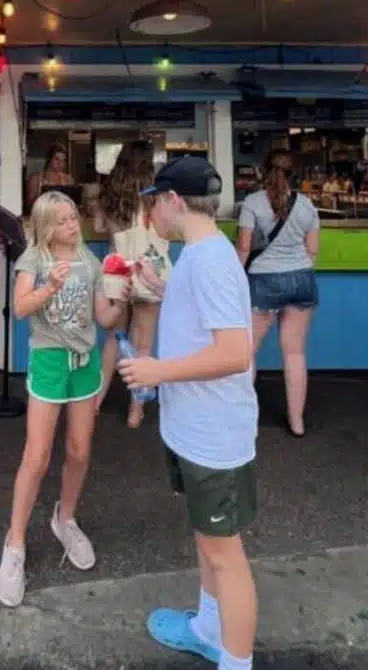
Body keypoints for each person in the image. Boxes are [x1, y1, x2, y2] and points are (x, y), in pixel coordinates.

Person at [117, 156, 258, 670]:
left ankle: (236, 661)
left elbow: (235, 353)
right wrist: (161, 287)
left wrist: (156, 371)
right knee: (208, 541)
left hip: (214, 434)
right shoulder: (199, 254)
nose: (151, 211)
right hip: (194, 430)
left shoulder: (213, 261)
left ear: (174, 200)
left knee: (225, 555)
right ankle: (207, 628)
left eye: (155, 201)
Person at [0, 191, 128, 608]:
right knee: (37, 456)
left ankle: (65, 518)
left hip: (85, 362)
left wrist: (124, 296)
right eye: (64, 220)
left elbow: (103, 317)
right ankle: (15, 542)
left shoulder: (90, 262)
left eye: (74, 218)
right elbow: (20, 308)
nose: (73, 225)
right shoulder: (33, 260)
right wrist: (50, 286)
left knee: (79, 450)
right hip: (50, 360)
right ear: (47, 226)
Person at [235, 149, 320, 437]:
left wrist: (235, 278)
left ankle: (242, 418)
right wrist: (296, 269)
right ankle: (297, 422)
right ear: (294, 173)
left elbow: (244, 247)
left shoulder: (252, 202)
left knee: (248, 350)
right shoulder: (307, 205)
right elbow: (313, 251)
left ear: (263, 170)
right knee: (294, 353)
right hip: (302, 279)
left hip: (263, 281)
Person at [94, 139, 171, 428]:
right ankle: (135, 412)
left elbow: (99, 226)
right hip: (148, 272)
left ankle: (96, 402)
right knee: (143, 345)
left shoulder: (110, 195)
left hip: (118, 273)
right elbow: (167, 232)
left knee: (113, 339)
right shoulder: (156, 198)